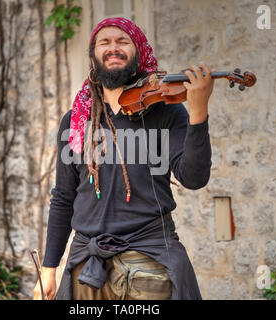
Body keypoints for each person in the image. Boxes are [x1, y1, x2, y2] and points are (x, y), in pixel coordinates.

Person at [33, 17, 213, 300]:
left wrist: (198, 112)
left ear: (138, 51)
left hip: (152, 257)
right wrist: (48, 269)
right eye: (104, 42)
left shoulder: (166, 112)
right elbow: (64, 197)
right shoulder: (76, 122)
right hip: (88, 264)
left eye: (122, 41)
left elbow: (194, 178)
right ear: (94, 56)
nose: (113, 48)